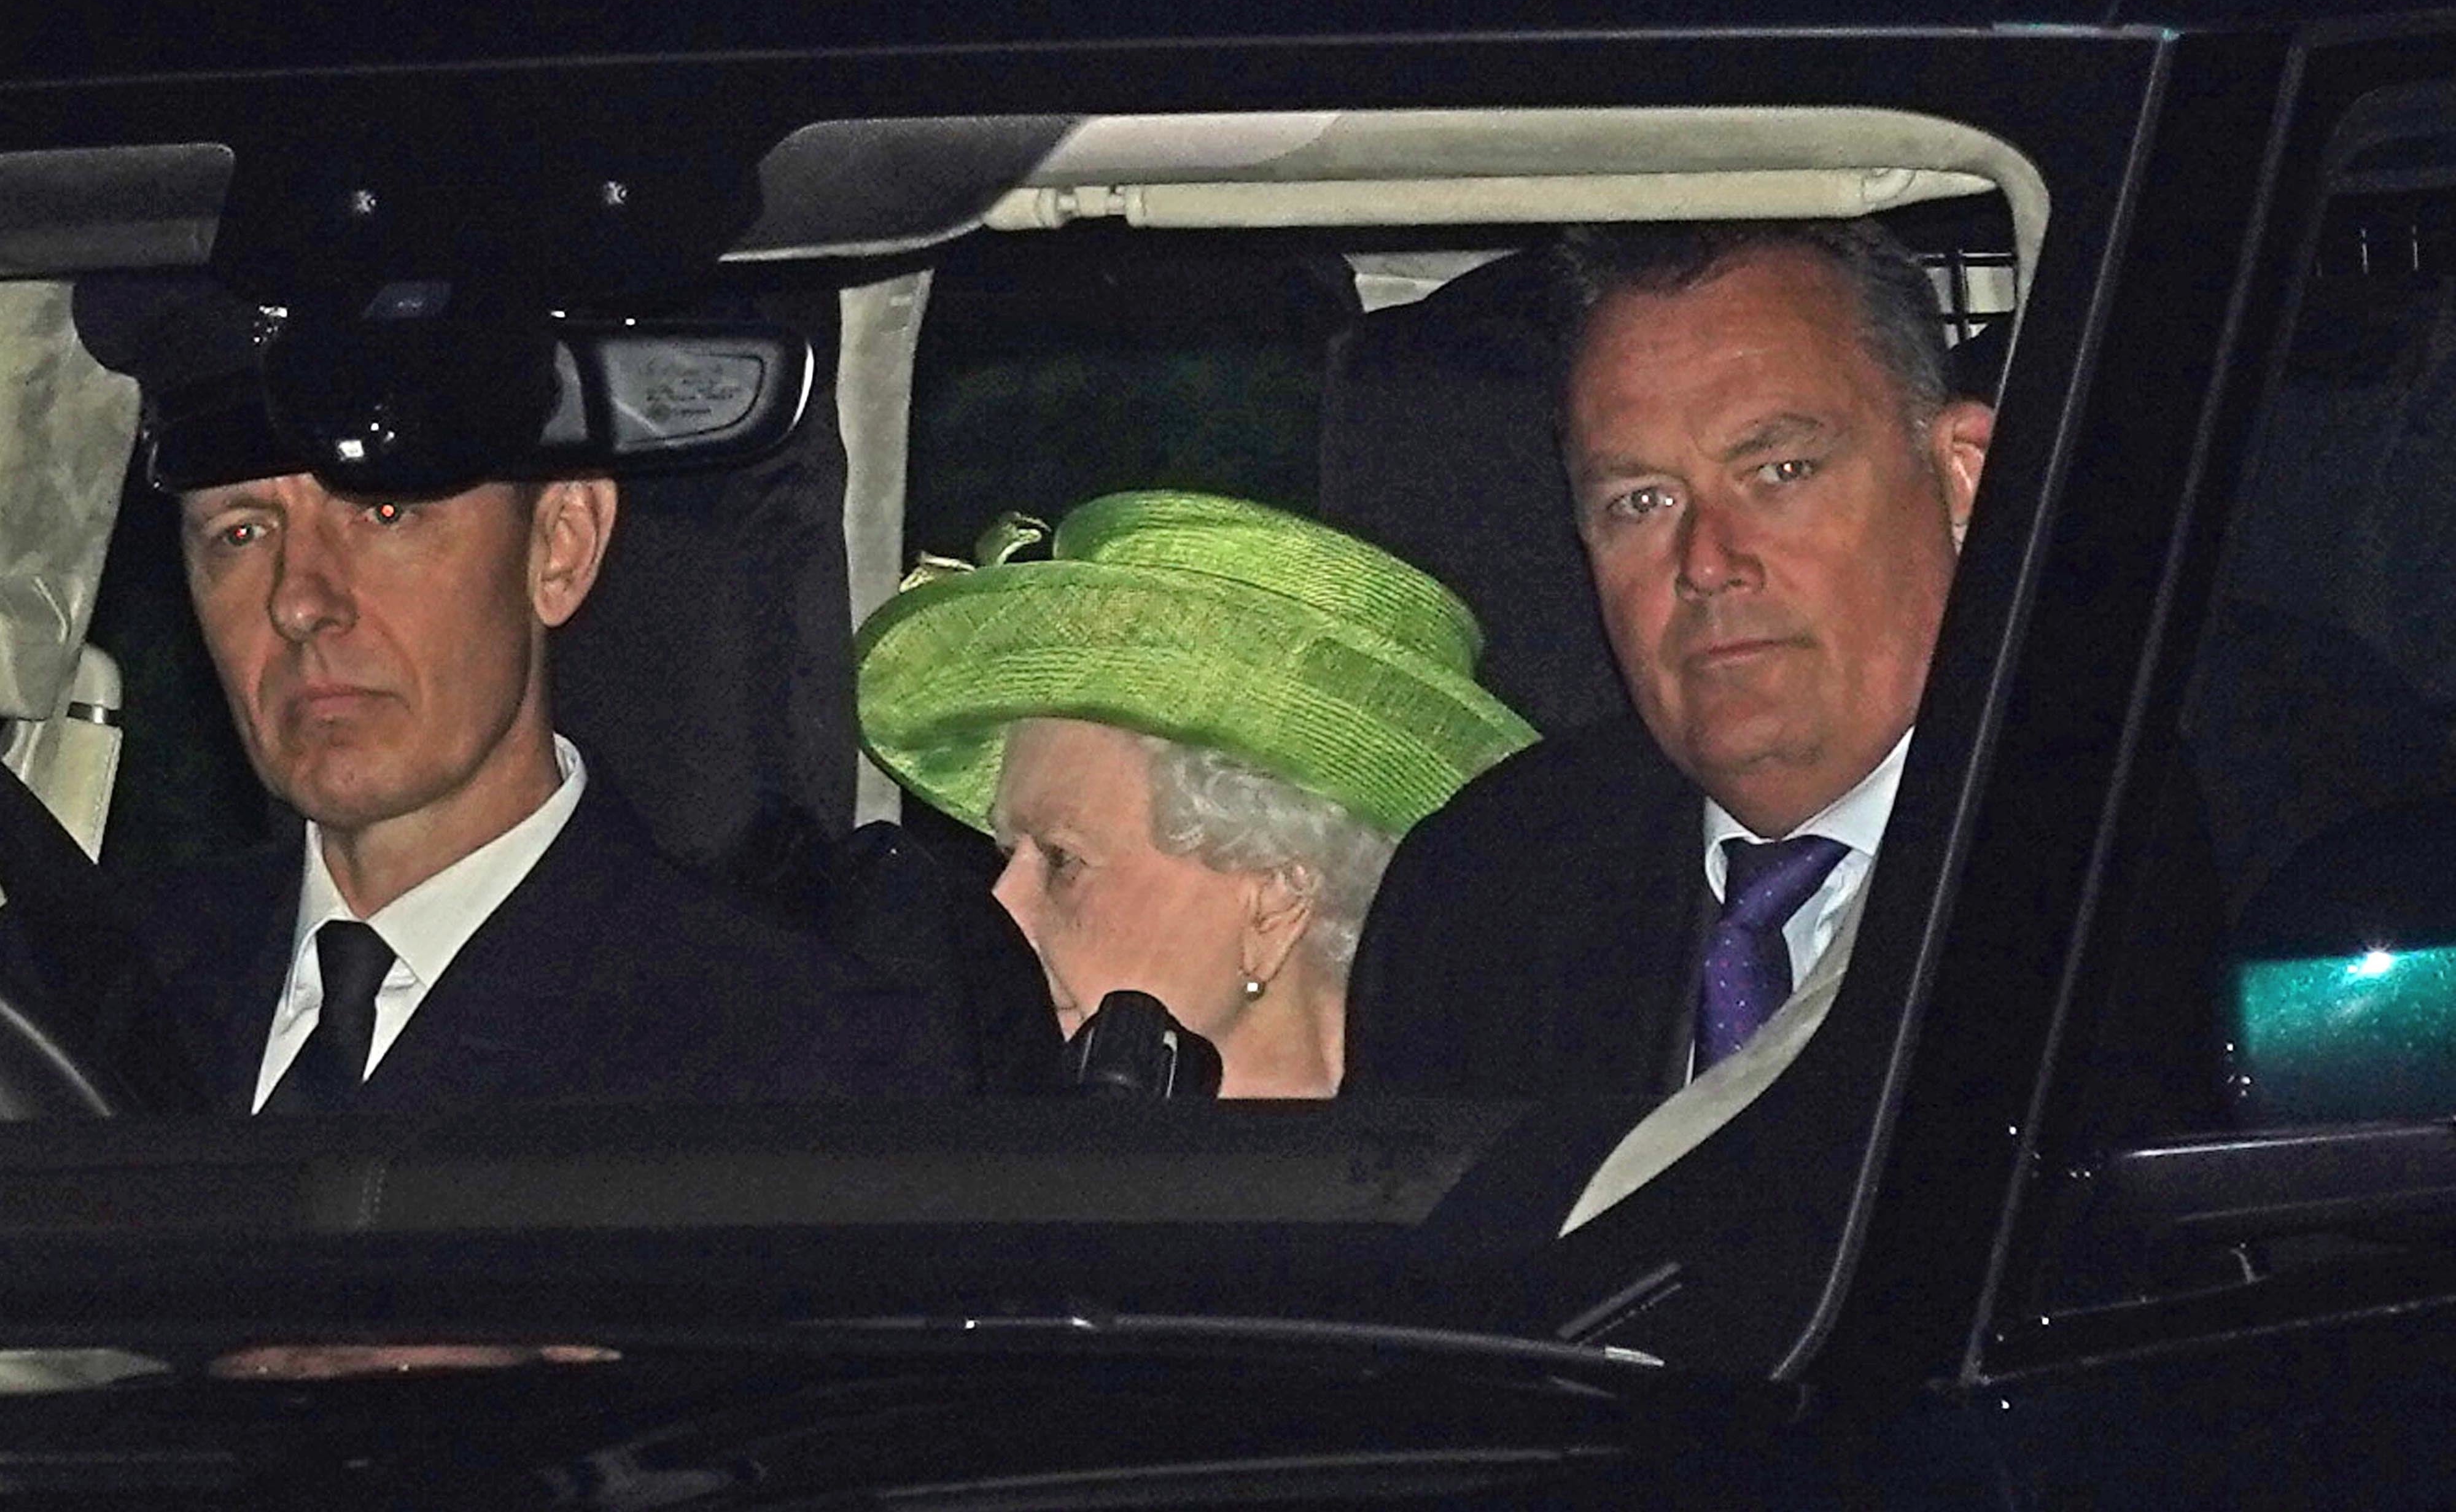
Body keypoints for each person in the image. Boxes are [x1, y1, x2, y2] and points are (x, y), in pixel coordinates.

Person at [70, 276, 990, 1112]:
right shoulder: (83, 1004)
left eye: (386, 513)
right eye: (241, 533)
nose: (301, 601)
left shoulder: (795, 1062)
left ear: (560, 547)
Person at [1343, 218, 1994, 1097]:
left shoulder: (2126, 859)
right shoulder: (1487, 895)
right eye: (1641, 501)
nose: (1707, 562)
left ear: (1962, 475)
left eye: (1781, 472)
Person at [855, 490, 1537, 1096]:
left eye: (1061, 860)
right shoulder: (965, 1166)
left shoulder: (1493, 1169)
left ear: (1276, 900)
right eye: (1007, 855)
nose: (1002, 907)